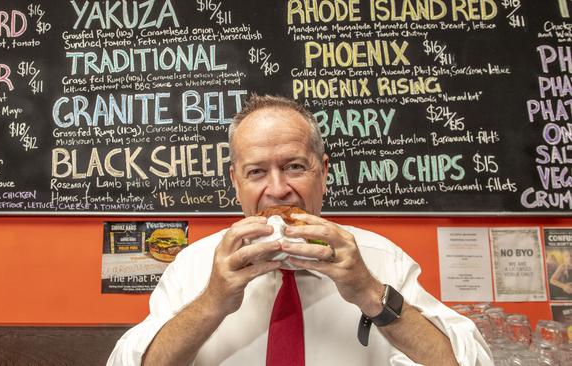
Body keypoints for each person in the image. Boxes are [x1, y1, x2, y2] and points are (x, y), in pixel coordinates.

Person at [107, 95, 492, 366]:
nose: (277, 189)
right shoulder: (193, 265)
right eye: (256, 172)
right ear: (235, 182)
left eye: (294, 166)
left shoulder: (379, 259)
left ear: (323, 172)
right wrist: (212, 301)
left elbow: (471, 361)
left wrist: (371, 293)